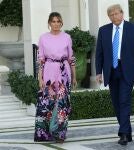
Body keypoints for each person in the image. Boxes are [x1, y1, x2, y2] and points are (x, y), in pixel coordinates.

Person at [95, 4, 134, 145]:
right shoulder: (103, 30)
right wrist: (99, 72)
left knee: (124, 101)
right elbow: (99, 54)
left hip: (128, 71)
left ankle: (122, 133)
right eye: (111, 15)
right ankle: (127, 132)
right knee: (117, 103)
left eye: (117, 13)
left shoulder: (133, 28)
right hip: (111, 71)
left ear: (122, 13)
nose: (114, 16)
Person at [34, 12, 77, 143]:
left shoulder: (67, 37)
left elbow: (71, 59)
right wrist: (40, 79)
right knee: (46, 103)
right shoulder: (43, 38)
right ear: (49, 23)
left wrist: (74, 77)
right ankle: (44, 133)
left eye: (58, 21)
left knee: (63, 104)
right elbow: (40, 60)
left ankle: (60, 134)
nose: (56, 24)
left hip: (64, 73)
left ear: (61, 23)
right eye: (53, 21)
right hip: (48, 72)